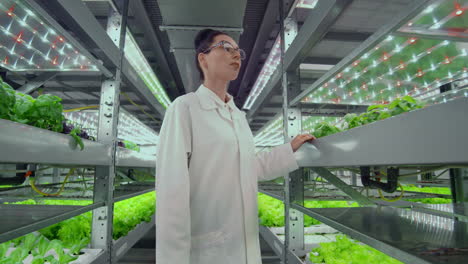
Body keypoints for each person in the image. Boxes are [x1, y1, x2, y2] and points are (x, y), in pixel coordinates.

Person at [156, 29, 315, 264]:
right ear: (203, 58)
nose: (237, 55)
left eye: (238, 51)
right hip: (205, 248)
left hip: (244, 244)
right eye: (225, 47)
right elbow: (171, 190)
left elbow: (251, 167)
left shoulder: (237, 116)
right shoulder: (185, 108)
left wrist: (289, 149)